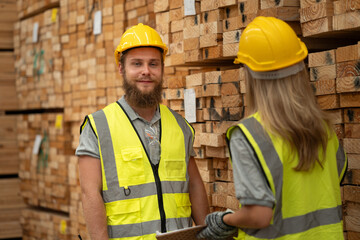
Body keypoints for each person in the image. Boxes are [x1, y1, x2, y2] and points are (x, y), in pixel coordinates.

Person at [198, 16, 348, 240]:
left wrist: (225, 220)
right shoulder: (323, 128)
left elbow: (259, 216)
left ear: (249, 73)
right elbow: (331, 182)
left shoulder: (249, 135)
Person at [76, 23, 209, 240]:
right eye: (137, 64)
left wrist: (207, 233)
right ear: (121, 68)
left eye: (153, 64)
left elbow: (194, 184)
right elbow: (90, 194)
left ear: (162, 69)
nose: (146, 71)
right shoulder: (98, 126)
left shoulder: (179, 125)